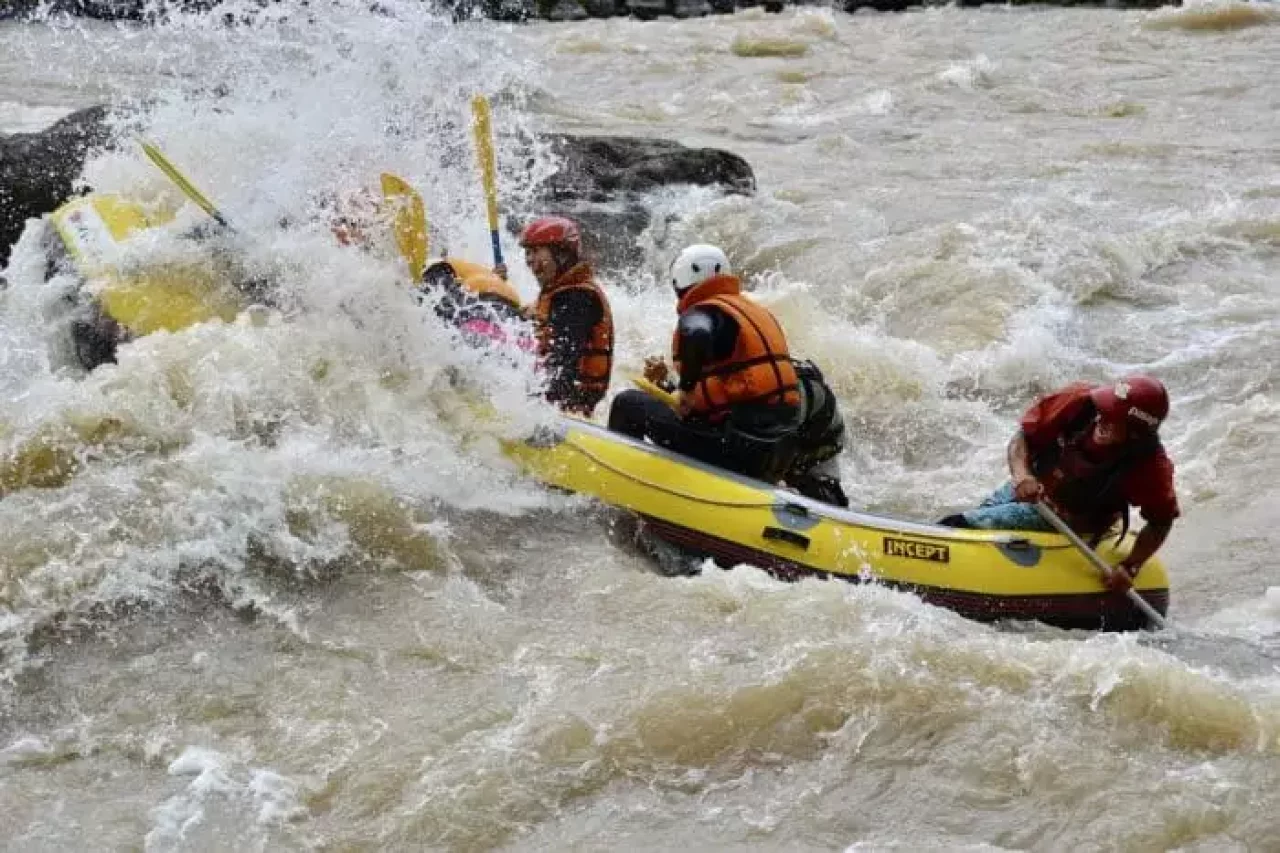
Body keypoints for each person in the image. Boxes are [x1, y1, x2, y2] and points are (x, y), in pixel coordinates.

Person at [939, 375, 1179, 590]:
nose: (1102, 419)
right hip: (1031, 488)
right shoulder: (1080, 401)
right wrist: (1022, 475)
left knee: (962, 524)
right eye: (1105, 409)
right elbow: (1022, 437)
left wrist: (1131, 566)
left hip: (1070, 521)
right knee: (968, 526)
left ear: (1135, 433)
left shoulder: (1150, 466)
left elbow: (1161, 521)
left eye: (1114, 418)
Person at [608, 244, 807, 485]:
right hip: (777, 452)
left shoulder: (704, 312)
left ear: (681, 281)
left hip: (735, 451)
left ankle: (620, 484)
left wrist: (686, 387)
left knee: (627, 403)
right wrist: (667, 385)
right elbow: (720, 396)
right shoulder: (754, 312)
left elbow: (697, 333)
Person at [519, 215, 614, 417]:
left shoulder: (577, 298)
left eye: (536, 251)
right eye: (527, 252)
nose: (529, 260)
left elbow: (564, 365)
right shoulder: (559, 292)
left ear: (562, 255)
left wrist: (538, 414)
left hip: (572, 410)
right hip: (561, 400)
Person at [418, 257, 533, 353]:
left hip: (480, 317)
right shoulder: (487, 276)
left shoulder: (441, 268)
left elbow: (438, 302)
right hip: (511, 318)